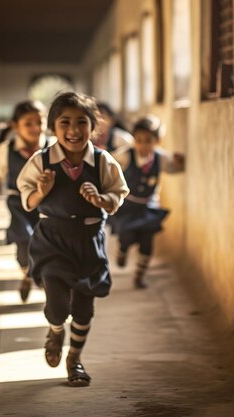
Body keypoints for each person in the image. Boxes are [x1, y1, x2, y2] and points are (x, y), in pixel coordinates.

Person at [17, 92, 129, 387]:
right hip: (52, 240)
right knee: (57, 303)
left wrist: (101, 198)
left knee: (83, 308)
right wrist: (41, 190)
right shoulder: (41, 161)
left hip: (88, 241)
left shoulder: (103, 161)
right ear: (52, 127)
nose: (73, 129)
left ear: (94, 128)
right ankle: (55, 330)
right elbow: (27, 198)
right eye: (64, 122)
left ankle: (75, 358)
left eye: (82, 122)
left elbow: (118, 194)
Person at [0, 100, 50, 302]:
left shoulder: (53, 148)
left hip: (47, 205)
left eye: (40, 122)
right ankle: (28, 273)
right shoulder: (7, 149)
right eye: (28, 123)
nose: (35, 128)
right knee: (23, 242)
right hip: (18, 205)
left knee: (46, 243)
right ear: (15, 126)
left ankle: (43, 279)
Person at [110, 114, 185, 289]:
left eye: (148, 140)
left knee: (147, 242)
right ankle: (122, 249)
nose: (143, 145)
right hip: (128, 205)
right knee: (126, 236)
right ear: (134, 139)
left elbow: (173, 168)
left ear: (157, 141)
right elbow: (109, 165)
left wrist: (180, 161)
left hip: (149, 206)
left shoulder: (161, 158)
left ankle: (139, 276)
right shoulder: (125, 156)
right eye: (139, 140)